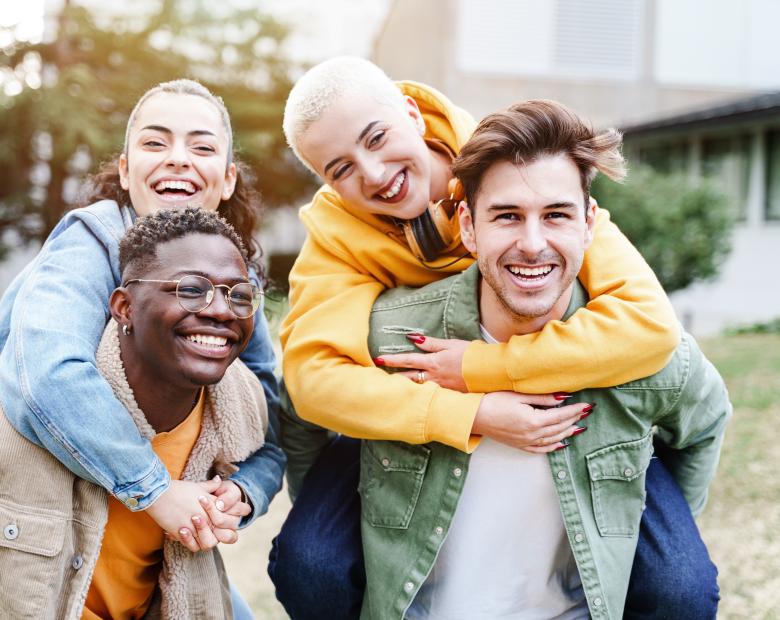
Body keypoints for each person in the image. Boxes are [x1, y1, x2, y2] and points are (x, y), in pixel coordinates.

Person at [269, 57, 678, 618]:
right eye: (340, 169)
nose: (372, 171)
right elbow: (314, 381)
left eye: (378, 137)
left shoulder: (518, 167)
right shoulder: (338, 239)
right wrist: (471, 413)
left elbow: (650, 327)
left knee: (680, 582)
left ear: (411, 113)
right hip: (409, 411)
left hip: (565, 397)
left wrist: (482, 368)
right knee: (307, 561)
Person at [358, 100, 730, 619]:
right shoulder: (393, 335)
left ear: (589, 224)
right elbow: (307, 423)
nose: (532, 245)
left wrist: (649, 546)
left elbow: (708, 421)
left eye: (556, 215)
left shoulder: (645, 353)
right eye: (507, 216)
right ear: (467, 227)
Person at [0, 79, 284, 547]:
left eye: (201, 146)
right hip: (47, 521)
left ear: (228, 178)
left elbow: (269, 421)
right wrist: (155, 490)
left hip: (158, 546)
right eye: (156, 142)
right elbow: (45, 373)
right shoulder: (88, 244)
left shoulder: (235, 281)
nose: (178, 157)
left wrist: (242, 490)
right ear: (127, 172)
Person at [0, 208, 281, 619]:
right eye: (191, 289)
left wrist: (240, 493)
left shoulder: (238, 401)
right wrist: (157, 492)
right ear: (124, 307)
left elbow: (271, 450)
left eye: (238, 295)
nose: (221, 310)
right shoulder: (36, 415)